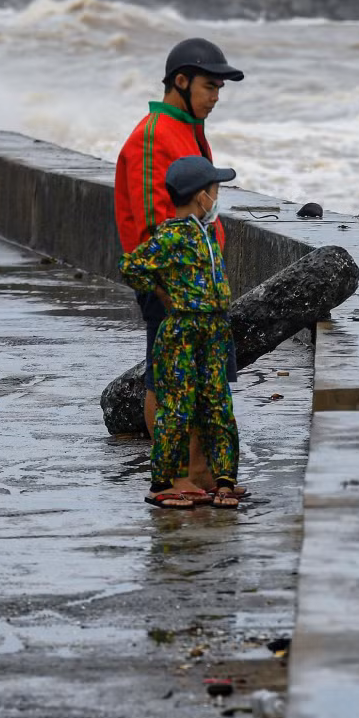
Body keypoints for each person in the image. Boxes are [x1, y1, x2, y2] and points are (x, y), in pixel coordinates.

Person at [115, 38, 245, 499]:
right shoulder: (156, 132)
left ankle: (203, 475)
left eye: (220, 89)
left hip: (198, 298)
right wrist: (176, 299)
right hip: (174, 293)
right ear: (182, 81)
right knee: (167, 384)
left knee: (201, 388)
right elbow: (154, 224)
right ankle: (174, 478)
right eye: (210, 86)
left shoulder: (186, 128)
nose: (215, 96)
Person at [120, 156, 242, 510]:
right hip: (182, 329)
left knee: (218, 403)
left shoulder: (204, 231)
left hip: (214, 328)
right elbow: (131, 266)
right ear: (201, 196)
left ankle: (224, 481)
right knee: (177, 405)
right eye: (215, 190)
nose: (217, 198)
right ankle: (164, 483)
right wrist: (161, 292)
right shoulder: (172, 234)